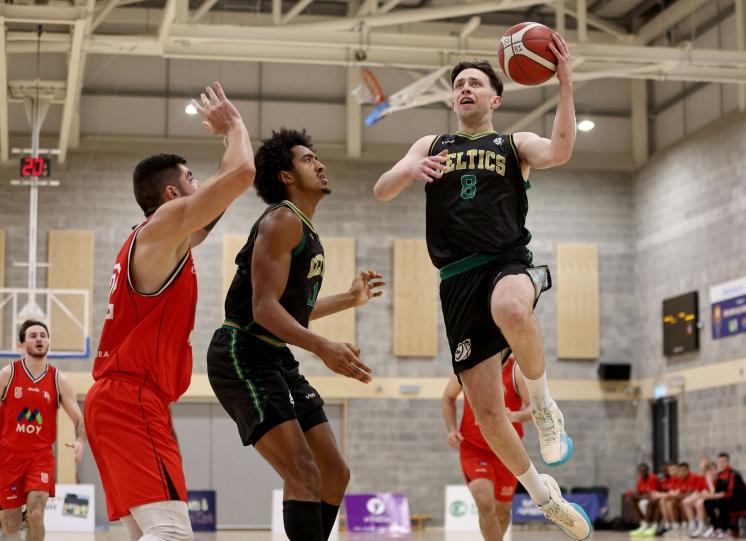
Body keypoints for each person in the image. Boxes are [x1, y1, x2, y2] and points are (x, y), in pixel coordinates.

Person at [373, 35, 591, 541]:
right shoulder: (431, 145)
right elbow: (382, 190)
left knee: (512, 308)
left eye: (475, 83)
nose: (465, 89)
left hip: (505, 260)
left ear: (495, 99)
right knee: (489, 416)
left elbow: (559, 151)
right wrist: (407, 169)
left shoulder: (513, 145)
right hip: (455, 279)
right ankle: (546, 498)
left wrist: (564, 85)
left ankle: (543, 406)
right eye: (458, 85)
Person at [84, 82, 255, 541]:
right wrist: (235, 127)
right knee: (171, 533)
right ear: (170, 192)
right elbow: (242, 174)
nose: (200, 186)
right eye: (191, 179)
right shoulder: (162, 227)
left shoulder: (161, 238)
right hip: (131, 399)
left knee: (145, 532)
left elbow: (219, 200)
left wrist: (225, 155)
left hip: (121, 400)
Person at [207, 128, 383, 541]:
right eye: (307, 159)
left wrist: (349, 299)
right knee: (303, 473)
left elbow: (292, 313)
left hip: (274, 356)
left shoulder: (304, 229)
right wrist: (323, 347)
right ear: (286, 176)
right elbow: (263, 309)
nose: (319, 164)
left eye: (316, 157)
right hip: (241, 352)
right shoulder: (282, 220)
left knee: (335, 473)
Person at [0, 320, 85, 541]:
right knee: (10, 522)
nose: (39, 339)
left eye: (43, 335)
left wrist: (80, 440)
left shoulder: (59, 380)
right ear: (21, 344)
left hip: (40, 457)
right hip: (9, 457)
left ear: (48, 342)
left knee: (37, 513)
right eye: (33, 335)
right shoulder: (7, 374)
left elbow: (78, 418)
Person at [442, 354, 531, 541]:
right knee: (484, 503)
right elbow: (448, 397)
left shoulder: (516, 371)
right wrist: (451, 429)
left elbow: (536, 408)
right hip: (474, 449)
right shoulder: (468, 364)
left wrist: (515, 416)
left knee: (502, 513)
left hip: (507, 451)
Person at [702, 452, 746, 539]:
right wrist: (709, 482)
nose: (721, 464)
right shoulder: (720, 474)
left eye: (724, 461)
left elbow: (728, 494)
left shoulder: (733, 474)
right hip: (730, 501)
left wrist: (709, 496)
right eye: (720, 462)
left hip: (742, 502)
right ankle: (717, 528)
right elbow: (716, 492)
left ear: (728, 462)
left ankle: (726, 529)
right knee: (707, 503)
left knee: (722, 502)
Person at [627, 463, 662, 537]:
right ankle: (642, 524)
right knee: (632, 501)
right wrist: (632, 495)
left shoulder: (653, 478)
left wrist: (639, 497)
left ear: (648, 471)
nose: (643, 472)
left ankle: (648, 524)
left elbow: (653, 494)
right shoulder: (640, 480)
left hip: (657, 500)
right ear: (639, 472)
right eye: (641, 471)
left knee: (647, 502)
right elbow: (639, 493)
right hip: (645, 499)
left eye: (644, 471)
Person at [687, 459, 717, 538]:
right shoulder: (705, 478)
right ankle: (699, 526)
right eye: (710, 470)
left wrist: (709, 482)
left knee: (700, 503)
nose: (713, 472)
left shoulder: (717, 478)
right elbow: (699, 491)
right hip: (708, 498)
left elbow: (713, 492)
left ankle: (703, 526)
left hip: (717, 500)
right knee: (693, 502)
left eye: (714, 469)